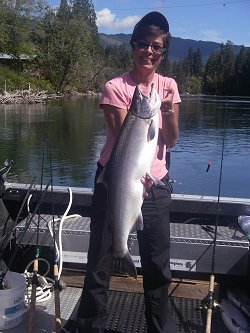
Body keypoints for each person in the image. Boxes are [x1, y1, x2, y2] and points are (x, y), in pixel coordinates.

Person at [75, 11, 181, 333]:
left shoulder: (169, 87)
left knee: (158, 268)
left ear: (163, 52)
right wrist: (149, 109)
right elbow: (123, 143)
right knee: (98, 265)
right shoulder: (114, 88)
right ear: (132, 46)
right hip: (116, 182)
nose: (149, 51)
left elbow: (171, 140)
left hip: (156, 187)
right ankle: (91, 326)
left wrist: (165, 110)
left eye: (157, 46)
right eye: (142, 44)